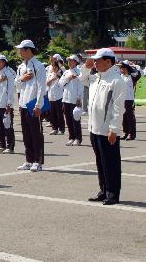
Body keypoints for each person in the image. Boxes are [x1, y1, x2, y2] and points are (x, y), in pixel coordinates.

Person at [80, 49, 127, 205]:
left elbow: (118, 108)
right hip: (95, 128)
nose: (95, 63)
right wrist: (86, 67)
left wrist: (114, 129)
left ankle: (113, 194)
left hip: (107, 130)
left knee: (111, 164)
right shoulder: (96, 78)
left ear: (108, 61)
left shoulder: (117, 81)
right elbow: (83, 78)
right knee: (101, 162)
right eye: (94, 60)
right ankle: (104, 190)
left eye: (98, 60)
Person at [15, 40, 47, 172]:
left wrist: (39, 105)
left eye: (22, 50)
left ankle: (38, 161)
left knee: (36, 134)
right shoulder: (21, 66)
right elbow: (17, 85)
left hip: (33, 104)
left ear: (28, 50)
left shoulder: (38, 65)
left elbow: (41, 87)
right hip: (23, 103)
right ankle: (29, 160)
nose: (20, 52)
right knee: (26, 133)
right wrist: (23, 78)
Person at [0, 54, 16, 154]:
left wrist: (9, 104)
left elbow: (11, 89)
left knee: (8, 126)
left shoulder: (9, 72)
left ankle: (10, 147)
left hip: (5, 103)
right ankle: (1, 145)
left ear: (4, 62)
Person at [59, 55, 83, 146]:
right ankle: (71, 137)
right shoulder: (66, 72)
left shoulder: (79, 72)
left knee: (75, 119)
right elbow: (60, 84)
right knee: (68, 119)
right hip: (66, 99)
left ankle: (78, 138)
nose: (69, 62)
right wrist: (68, 78)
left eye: (71, 61)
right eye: (68, 61)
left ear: (76, 62)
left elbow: (81, 86)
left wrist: (79, 98)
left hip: (75, 99)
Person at [119, 61, 137, 141]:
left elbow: (139, 72)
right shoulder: (120, 77)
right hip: (122, 99)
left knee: (130, 117)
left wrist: (133, 65)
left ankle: (131, 134)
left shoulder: (132, 76)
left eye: (122, 68)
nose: (121, 70)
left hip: (129, 99)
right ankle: (125, 132)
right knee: (124, 117)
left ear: (126, 68)